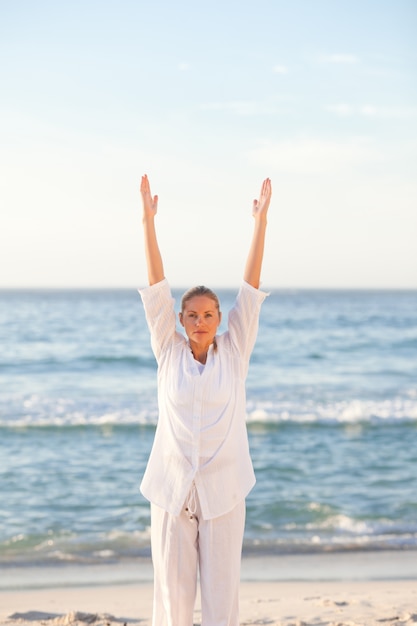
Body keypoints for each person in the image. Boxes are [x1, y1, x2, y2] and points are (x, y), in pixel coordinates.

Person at [139, 174, 272, 626]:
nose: (200, 321)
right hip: (172, 492)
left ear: (220, 319)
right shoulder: (168, 349)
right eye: (192, 315)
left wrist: (261, 222)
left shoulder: (234, 353)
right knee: (171, 608)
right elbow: (157, 286)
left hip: (224, 492)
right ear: (180, 319)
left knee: (221, 607)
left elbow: (250, 293)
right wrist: (147, 220)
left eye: (209, 315)